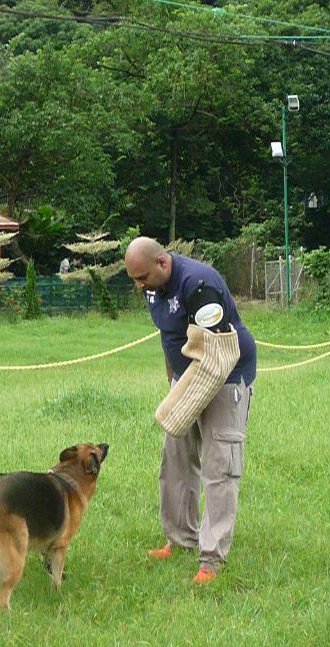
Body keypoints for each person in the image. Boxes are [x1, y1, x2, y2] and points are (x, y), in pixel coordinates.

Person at [124, 236, 256, 584]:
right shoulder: (152, 283)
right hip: (186, 377)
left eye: (142, 278)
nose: (139, 286)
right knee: (176, 460)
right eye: (134, 279)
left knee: (219, 464)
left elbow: (216, 353)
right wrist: (173, 385)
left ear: (162, 264)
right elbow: (169, 335)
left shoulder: (200, 285)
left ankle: (211, 560)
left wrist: (188, 403)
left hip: (224, 375)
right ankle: (180, 538)